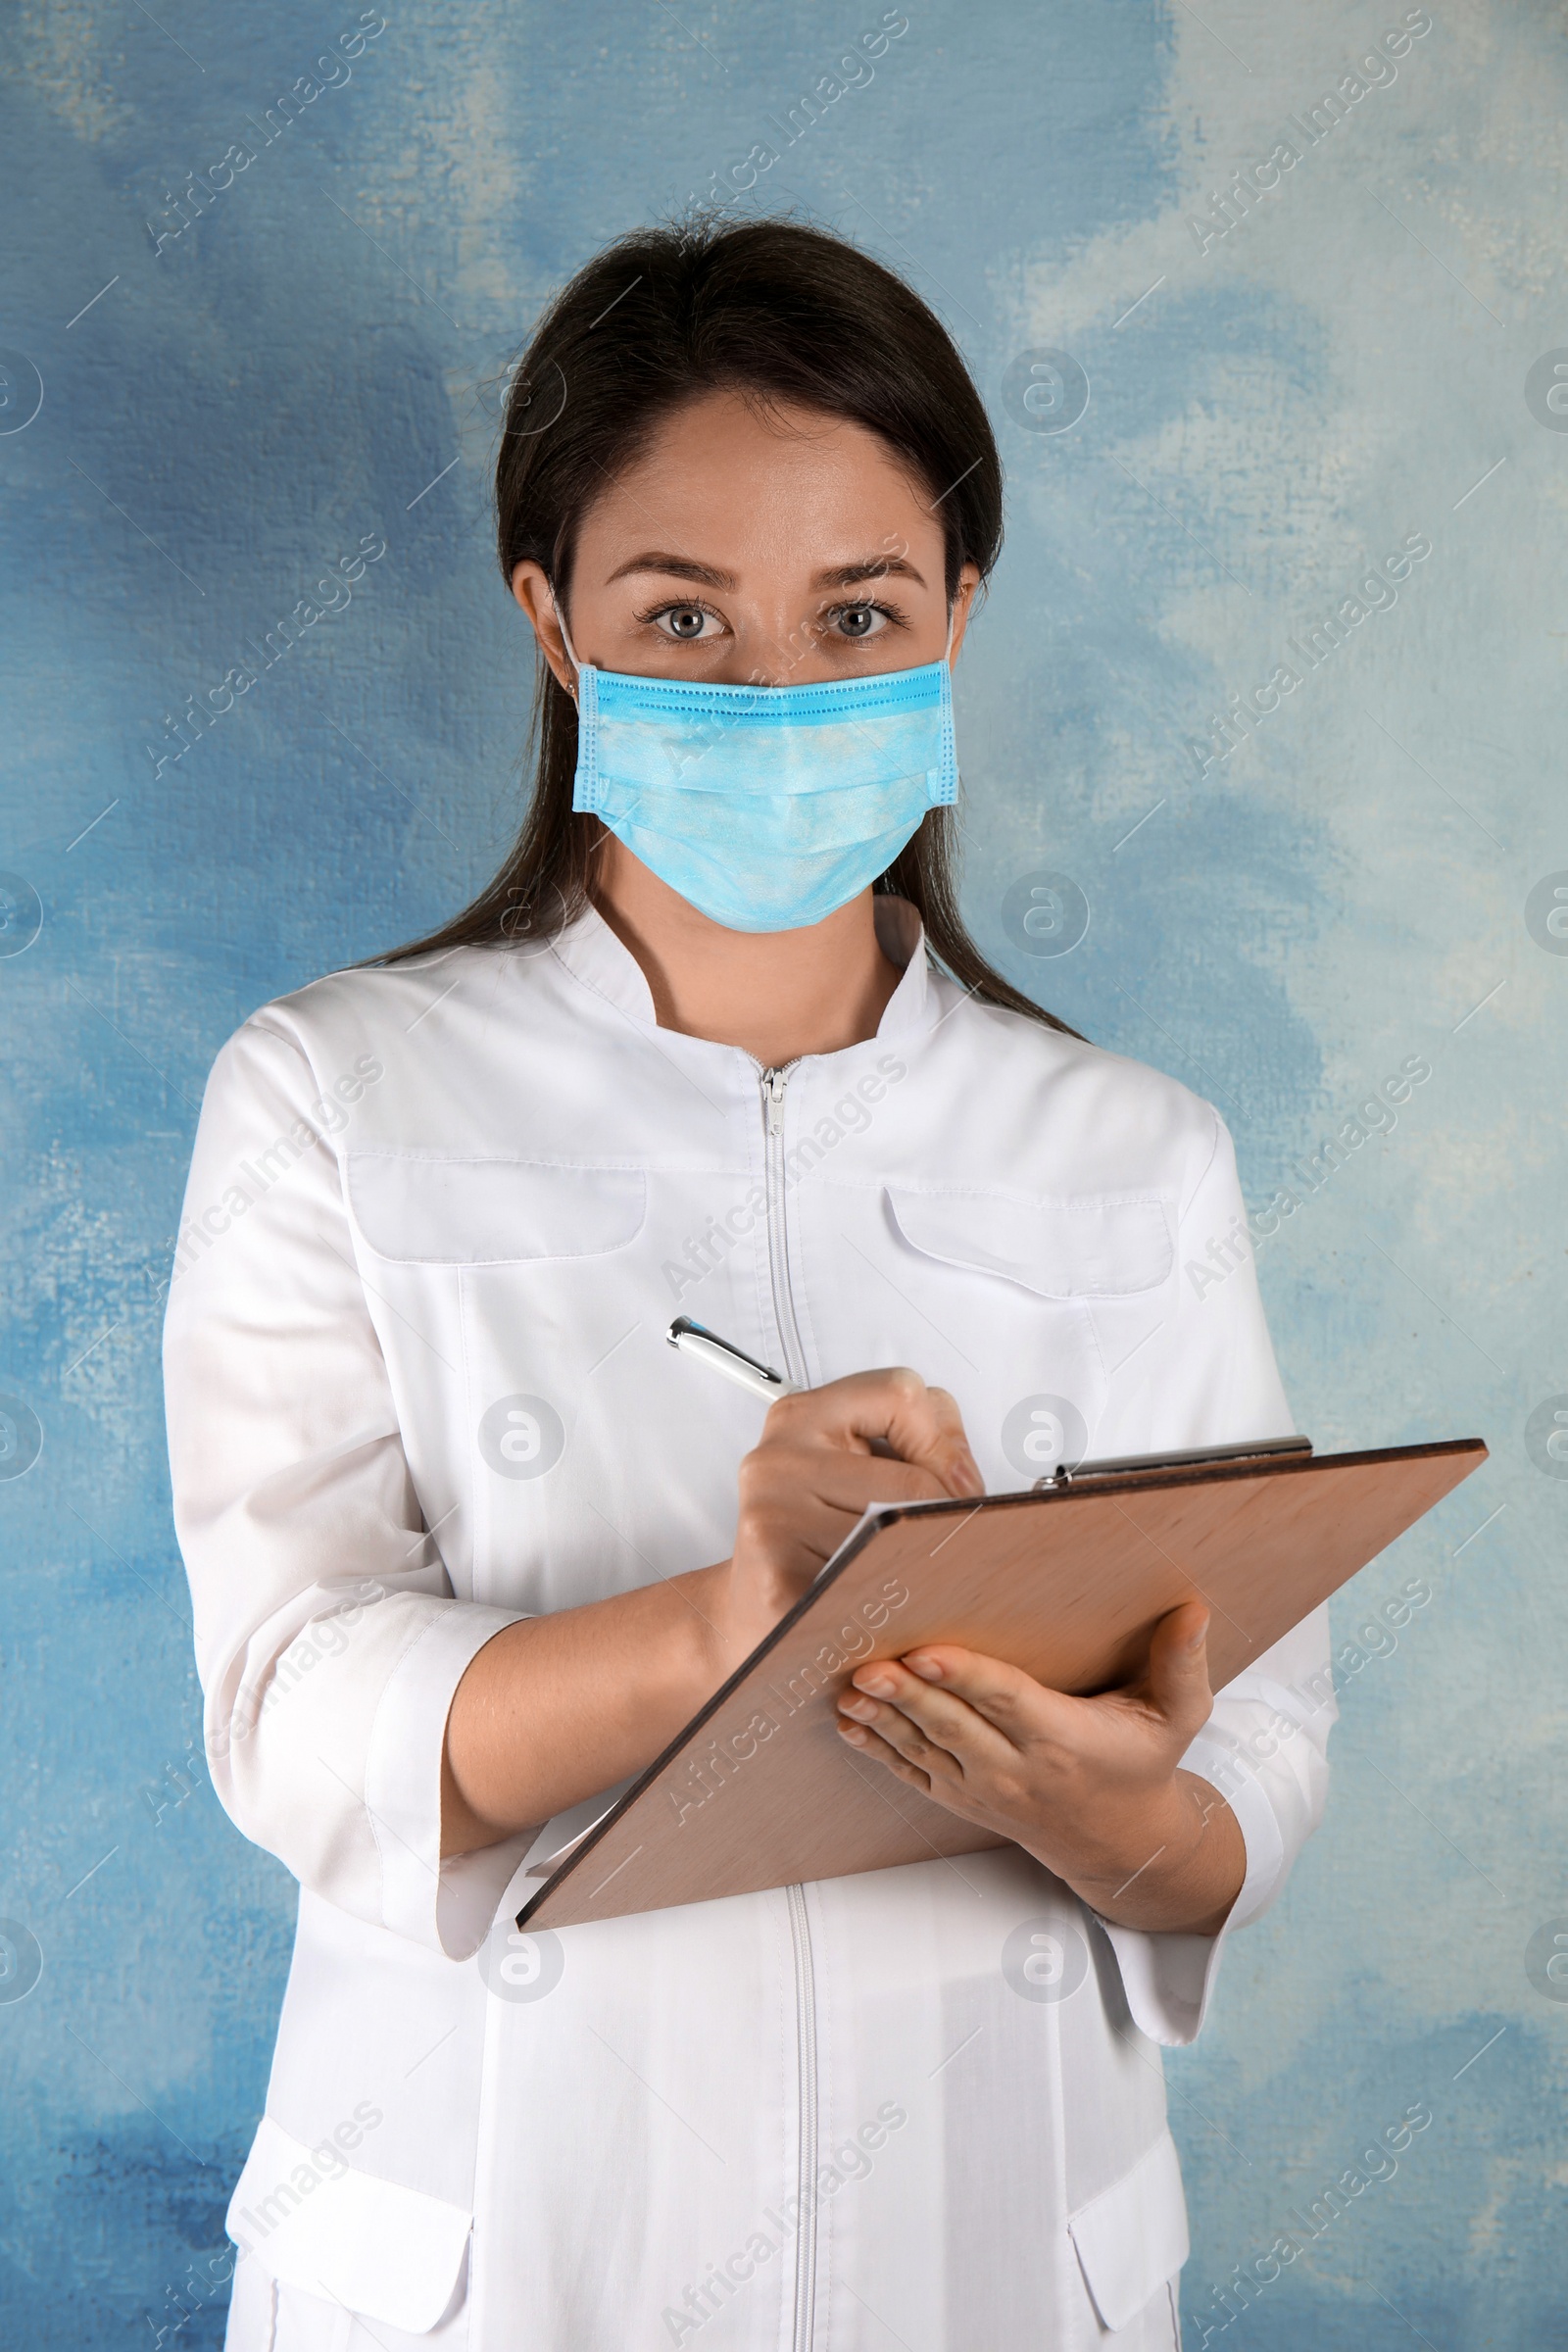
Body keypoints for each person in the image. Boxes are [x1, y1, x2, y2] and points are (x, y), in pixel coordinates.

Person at [165, 216, 1333, 2352]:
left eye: (856, 613)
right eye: (681, 614)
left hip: (989, 2240)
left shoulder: (1132, 1149)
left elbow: (1251, 1742)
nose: (773, 691)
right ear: (552, 621)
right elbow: (286, 1706)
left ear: (956, 616)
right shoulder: (333, 1090)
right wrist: (725, 1631)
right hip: (501, 2244)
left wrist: (1123, 1816)